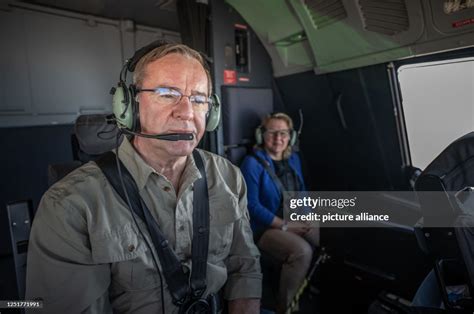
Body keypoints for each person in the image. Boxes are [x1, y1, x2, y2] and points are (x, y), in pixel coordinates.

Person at [26, 42, 261, 313]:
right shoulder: (70, 204)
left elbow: (245, 269)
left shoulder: (229, 177)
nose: (186, 112)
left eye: (198, 99)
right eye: (166, 93)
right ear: (127, 105)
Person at [240, 113, 319, 314]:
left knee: (329, 237)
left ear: (290, 137)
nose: (278, 138)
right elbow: (252, 206)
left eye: (283, 133)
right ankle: (286, 308)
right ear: (261, 136)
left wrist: (307, 216)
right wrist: (285, 226)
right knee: (302, 251)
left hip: (291, 218)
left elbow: (301, 192)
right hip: (263, 228)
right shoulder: (252, 163)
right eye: (272, 133)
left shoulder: (293, 160)